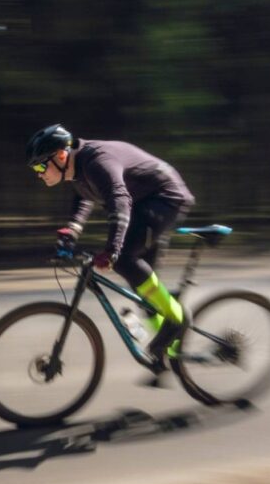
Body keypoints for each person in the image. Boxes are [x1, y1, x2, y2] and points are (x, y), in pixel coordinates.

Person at [26, 123, 195, 366]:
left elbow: (119, 198)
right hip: (141, 202)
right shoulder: (78, 167)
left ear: (60, 155)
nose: (39, 173)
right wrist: (72, 230)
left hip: (165, 197)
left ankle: (178, 320)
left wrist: (113, 250)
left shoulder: (97, 162)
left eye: (41, 165)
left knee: (126, 260)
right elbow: (84, 195)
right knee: (144, 288)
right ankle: (172, 353)